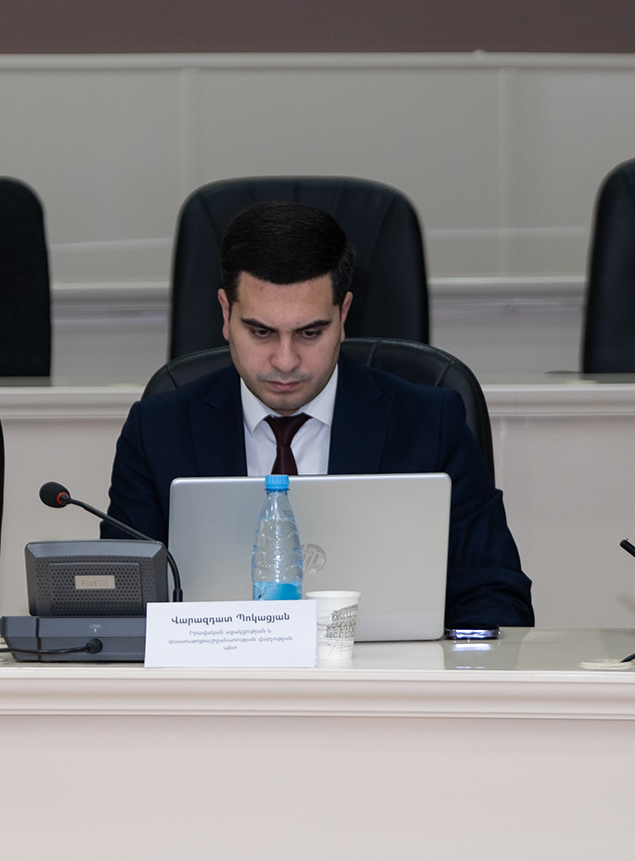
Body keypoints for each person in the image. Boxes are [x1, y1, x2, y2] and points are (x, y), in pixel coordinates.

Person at [107, 202, 535, 628]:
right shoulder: (157, 431)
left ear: (343, 315)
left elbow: (498, 597)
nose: (285, 361)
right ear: (225, 313)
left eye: (310, 332)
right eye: (261, 332)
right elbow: (121, 611)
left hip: (386, 671)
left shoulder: (429, 425)